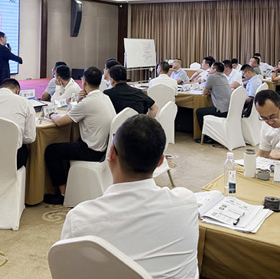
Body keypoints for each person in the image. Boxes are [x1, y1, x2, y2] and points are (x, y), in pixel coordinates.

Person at [61, 115, 199, 278]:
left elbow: (66, 271)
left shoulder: (80, 220)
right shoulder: (187, 202)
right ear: (160, 161)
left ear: (111, 154)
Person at [45, 67, 116, 204]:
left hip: (92, 151)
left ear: (84, 82)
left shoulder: (88, 102)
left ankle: (62, 193)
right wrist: (79, 101)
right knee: (72, 142)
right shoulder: (105, 97)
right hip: (105, 148)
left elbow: (60, 122)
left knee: (51, 150)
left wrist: (51, 114)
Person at [196, 62, 231, 139]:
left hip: (221, 110)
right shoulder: (224, 76)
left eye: (211, 68)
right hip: (229, 108)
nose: (209, 70)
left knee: (199, 111)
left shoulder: (212, 77)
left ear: (215, 69)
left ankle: (207, 137)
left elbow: (204, 92)